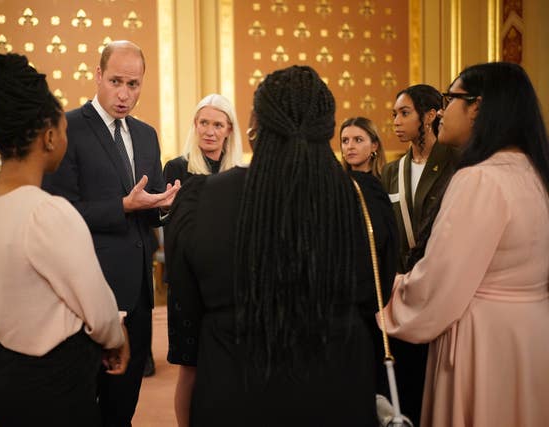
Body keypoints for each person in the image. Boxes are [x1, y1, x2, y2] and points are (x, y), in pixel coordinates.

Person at [166, 65, 397, 426]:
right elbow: (376, 296)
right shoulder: (362, 200)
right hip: (338, 391)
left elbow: (186, 305)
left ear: (255, 127)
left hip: (235, 390)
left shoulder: (206, 199)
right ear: (328, 129)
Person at [0, 53, 129, 426]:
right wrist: (117, 337)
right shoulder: (47, 212)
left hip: (1, 367)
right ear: (50, 137)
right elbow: (98, 310)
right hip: (50, 381)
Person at [381, 62, 549, 426]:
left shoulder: (479, 179)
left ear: (478, 107)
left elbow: (439, 284)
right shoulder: (531, 171)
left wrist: (387, 292)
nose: (442, 110)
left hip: (484, 342)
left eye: (450, 98)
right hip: (531, 333)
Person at [42, 40, 180, 426]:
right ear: (98, 75)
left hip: (137, 292)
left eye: (133, 84)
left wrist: (163, 208)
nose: (124, 93)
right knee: (83, 403)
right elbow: (59, 214)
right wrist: (122, 207)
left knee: (124, 403)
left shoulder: (147, 134)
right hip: (85, 291)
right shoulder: (67, 127)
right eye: (116, 81)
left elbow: (147, 216)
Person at [379, 84, 458, 425]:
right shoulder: (392, 171)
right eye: (394, 114)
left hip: (440, 284)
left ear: (430, 115)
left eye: (404, 113)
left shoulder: (456, 163)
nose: (396, 121)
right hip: (402, 286)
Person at [163, 93, 243, 184]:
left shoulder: (238, 174)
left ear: (229, 130)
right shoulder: (176, 168)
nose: (209, 132)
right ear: (196, 124)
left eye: (218, 125)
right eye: (204, 123)